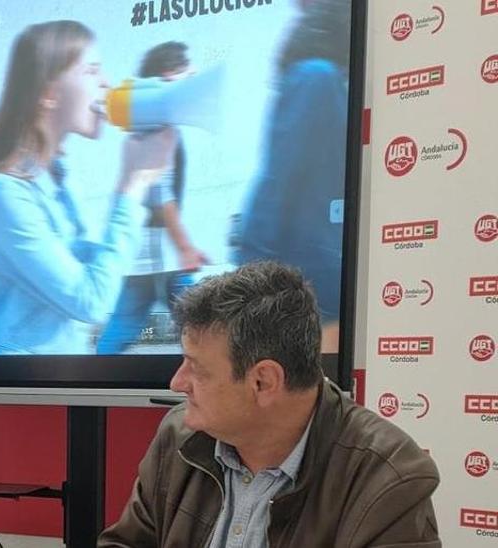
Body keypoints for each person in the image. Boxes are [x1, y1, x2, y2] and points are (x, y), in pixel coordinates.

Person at [99, 262, 440, 547]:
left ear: (263, 382)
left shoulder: (388, 476)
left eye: (196, 368)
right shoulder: (180, 435)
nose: (177, 382)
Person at [0, 20, 177, 355]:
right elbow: (89, 300)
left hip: (40, 387)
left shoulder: (58, 178)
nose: (106, 83)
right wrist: (133, 184)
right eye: (92, 71)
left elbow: (79, 264)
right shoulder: (5, 195)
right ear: (48, 94)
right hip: (0, 393)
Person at [234, 0, 350, 352]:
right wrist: (248, 285)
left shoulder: (325, 80)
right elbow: (276, 184)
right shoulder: (315, 78)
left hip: (323, 288)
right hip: (307, 291)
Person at [96, 41, 209, 355]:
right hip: (163, 256)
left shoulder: (142, 127)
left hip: (140, 253)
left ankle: (94, 377)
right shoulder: (160, 129)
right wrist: (186, 249)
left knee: (119, 332)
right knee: (203, 332)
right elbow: (162, 195)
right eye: (185, 69)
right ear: (168, 75)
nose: (192, 75)